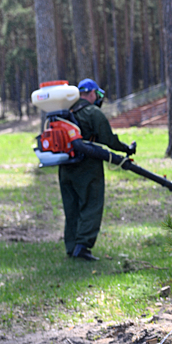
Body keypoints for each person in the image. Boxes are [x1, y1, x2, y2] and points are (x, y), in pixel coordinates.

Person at [59, 78, 135, 261]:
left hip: (65, 168)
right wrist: (127, 149)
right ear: (92, 93)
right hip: (87, 167)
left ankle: (71, 247)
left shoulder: (66, 111)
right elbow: (108, 139)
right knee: (91, 204)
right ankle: (82, 246)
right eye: (98, 95)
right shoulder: (92, 112)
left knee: (72, 208)